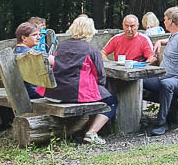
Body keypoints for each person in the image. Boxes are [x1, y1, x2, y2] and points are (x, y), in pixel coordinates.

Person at [36, 15, 117, 146]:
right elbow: (100, 75)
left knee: (99, 95)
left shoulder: (61, 46)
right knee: (112, 100)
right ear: (90, 31)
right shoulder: (91, 50)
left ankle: (84, 129)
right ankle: (92, 133)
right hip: (75, 93)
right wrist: (99, 87)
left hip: (55, 92)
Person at [144, 6, 178, 136]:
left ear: (171, 21)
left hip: (177, 80)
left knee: (166, 85)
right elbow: (171, 41)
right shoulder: (174, 34)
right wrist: (160, 41)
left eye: (165, 19)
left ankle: (161, 123)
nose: (163, 21)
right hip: (164, 76)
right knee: (139, 79)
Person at [13, 21, 53, 99]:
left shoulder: (13, 52)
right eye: (35, 35)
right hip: (34, 92)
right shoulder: (31, 54)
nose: (39, 38)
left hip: (20, 91)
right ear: (24, 38)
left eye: (39, 35)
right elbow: (57, 62)